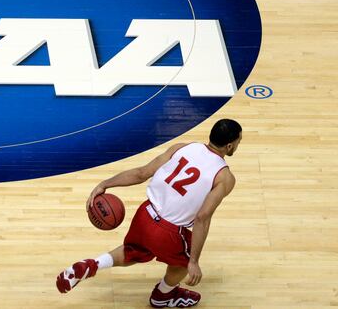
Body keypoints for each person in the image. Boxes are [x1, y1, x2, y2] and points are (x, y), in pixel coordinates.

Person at [56, 119, 242, 308]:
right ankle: (163, 295)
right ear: (229, 145)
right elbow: (203, 217)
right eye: (238, 141)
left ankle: (93, 264)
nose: (238, 144)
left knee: (133, 251)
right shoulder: (225, 177)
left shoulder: (182, 147)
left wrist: (105, 184)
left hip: (145, 214)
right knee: (183, 264)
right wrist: (194, 261)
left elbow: (141, 173)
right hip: (169, 231)